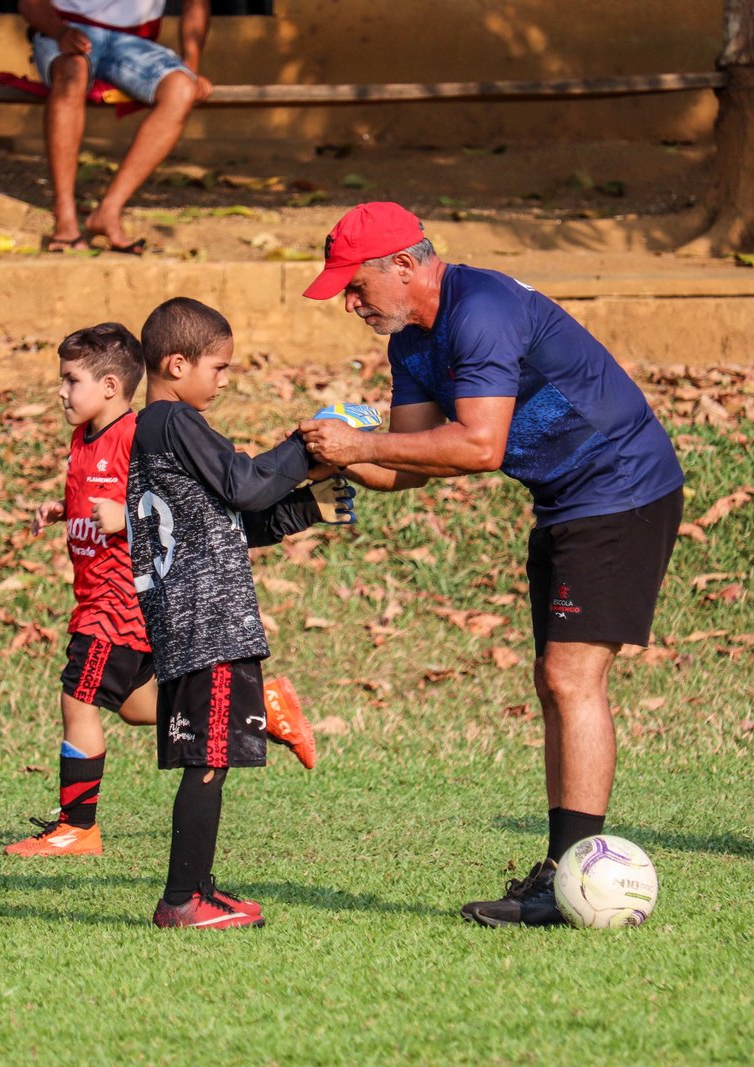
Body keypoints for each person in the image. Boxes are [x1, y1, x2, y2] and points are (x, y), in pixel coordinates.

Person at [298, 202, 685, 927]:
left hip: (622, 487)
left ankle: (572, 872)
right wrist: (324, 464)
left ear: (405, 266)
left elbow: (477, 445)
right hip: (566, 499)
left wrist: (364, 445)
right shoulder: (411, 342)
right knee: (554, 681)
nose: (350, 304)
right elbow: (415, 463)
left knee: (572, 676)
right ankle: (563, 866)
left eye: (356, 286)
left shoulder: (483, 310)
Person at [5, 322, 317, 860]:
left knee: (77, 699)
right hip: (103, 601)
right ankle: (259, 706)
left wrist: (123, 518)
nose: (60, 392)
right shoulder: (84, 437)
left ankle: (77, 828)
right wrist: (67, 509)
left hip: (120, 602)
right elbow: (101, 499)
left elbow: (169, 505)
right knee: (130, 706)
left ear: (109, 386)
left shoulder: (137, 434)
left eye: (70, 380)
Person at [130, 297, 354, 928]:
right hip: (209, 625)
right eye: (219, 367)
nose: (226, 380)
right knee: (208, 764)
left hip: (191, 621)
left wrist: (310, 507)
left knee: (210, 759)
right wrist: (304, 442)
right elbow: (245, 483)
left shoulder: (158, 433)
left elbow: (232, 521)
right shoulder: (174, 421)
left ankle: (199, 887)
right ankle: (182, 901)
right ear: (177, 364)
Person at [18, 0, 213, 254]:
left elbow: (196, 3)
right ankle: (64, 212)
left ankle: (109, 210)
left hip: (133, 43)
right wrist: (60, 31)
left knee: (181, 89)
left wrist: (191, 66)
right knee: (73, 70)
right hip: (65, 30)